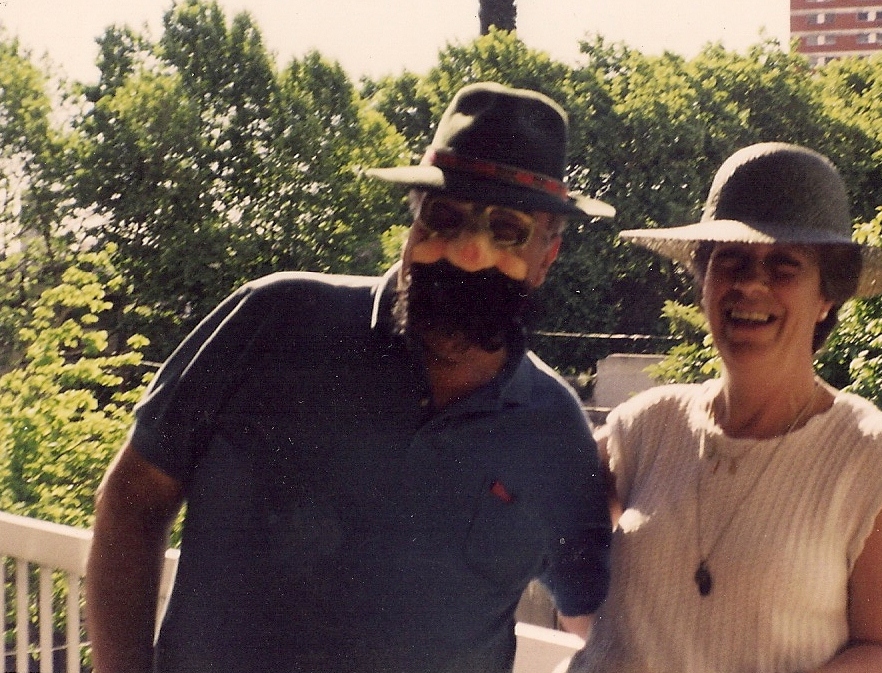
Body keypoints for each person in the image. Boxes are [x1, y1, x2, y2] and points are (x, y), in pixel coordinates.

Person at [85, 82, 615, 673]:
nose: (468, 252)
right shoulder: (275, 320)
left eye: (507, 230)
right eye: (445, 218)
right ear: (412, 222)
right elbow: (133, 499)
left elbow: (608, 619)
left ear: (546, 256)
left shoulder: (556, 431)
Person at [565, 142, 882, 673]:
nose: (749, 283)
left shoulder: (881, 459)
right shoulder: (643, 426)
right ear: (704, 282)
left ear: (827, 297)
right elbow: (570, 581)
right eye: (730, 261)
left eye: (784, 266)